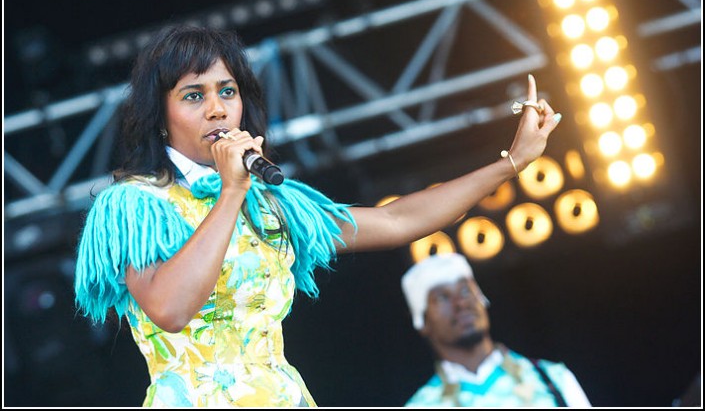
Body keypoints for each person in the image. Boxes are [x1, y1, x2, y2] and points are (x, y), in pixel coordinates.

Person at [74, 25, 562, 407]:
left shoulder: (271, 204)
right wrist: (229, 193)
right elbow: (170, 309)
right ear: (160, 117)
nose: (218, 110)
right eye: (193, 95)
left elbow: (396, 223)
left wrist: (510, 164)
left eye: (227, 91)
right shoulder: (133, 206)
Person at [401, 253, 592, 407]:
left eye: (466, 291)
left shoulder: (552, 379)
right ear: (421, 320)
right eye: (442, 297)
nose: (461, 303)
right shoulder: (422, 404)